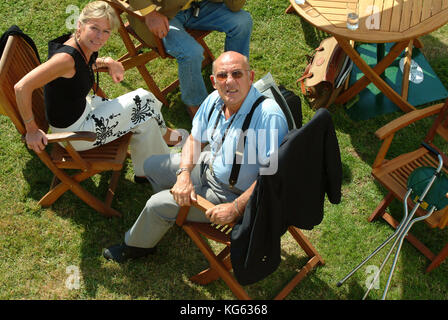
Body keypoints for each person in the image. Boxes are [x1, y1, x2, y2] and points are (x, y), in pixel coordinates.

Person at [103, 51, 289, 262]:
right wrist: (183, 175)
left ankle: (136, 247)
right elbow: (195, 140)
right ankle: (174, 213)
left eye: (237, 74)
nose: (229, 82)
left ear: (251, 77)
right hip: (208, 166)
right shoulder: (215, 100)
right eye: (222, 76)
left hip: (231, 194)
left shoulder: (266, 116)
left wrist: (236, 207)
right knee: (151, 165)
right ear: (213, 81)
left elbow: (271, 176)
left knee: (156, 204)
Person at [14, 1, 180, 180]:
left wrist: (108, 62)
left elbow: (83, 66)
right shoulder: (65, 59)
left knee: (145, 119)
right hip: (76, 134)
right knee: (144, 99)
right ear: (80, 25)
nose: (100, 36)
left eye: (106, 31)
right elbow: (21, 87)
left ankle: (147, 173)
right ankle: (168, 139)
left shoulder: (83, 45)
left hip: (86, 111)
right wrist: (31, 129)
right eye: (94, 28)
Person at [127, 0, 252, 118]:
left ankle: (235, 83)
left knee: (242, 22)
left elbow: (235, 6)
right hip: (161, 13)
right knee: (190, 53)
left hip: (198, 6)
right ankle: (196, 106)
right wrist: (150, 13)